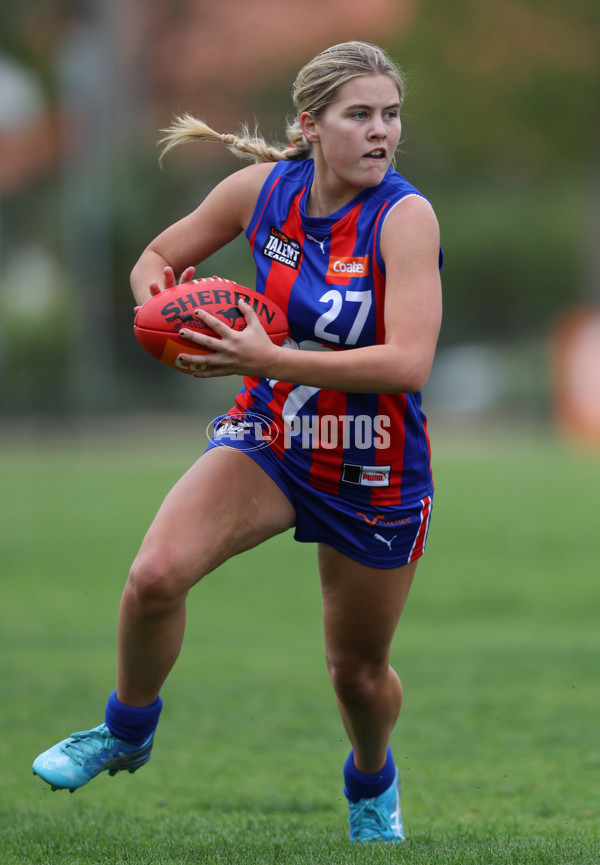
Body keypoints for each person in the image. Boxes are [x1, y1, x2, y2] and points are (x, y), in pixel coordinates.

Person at [32, 40, 442, 844]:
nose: (380, 131)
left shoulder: (404, 215)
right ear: (310, 125)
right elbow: (156, 259)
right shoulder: (262, 191)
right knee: (154, 574)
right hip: (274, 431)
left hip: (371, 456)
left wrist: (266, 355)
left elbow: (408, 362)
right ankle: (126, 728)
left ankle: (371, 780)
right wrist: (159, 308)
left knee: (356, 675)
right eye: (359, 114)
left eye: (390, 115)